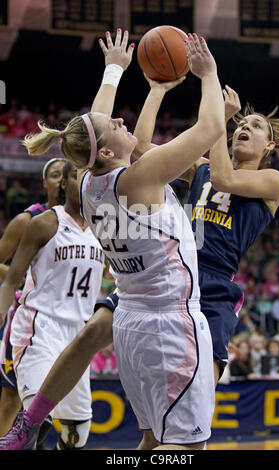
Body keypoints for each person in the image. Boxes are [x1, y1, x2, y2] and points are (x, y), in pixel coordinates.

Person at [0, 29, 225, 451]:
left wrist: (114, 70)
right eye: (116, 125)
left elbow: (92, 126)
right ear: (104, 152)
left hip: (129, 323)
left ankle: (29, 422)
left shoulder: (86, 184)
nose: (122, 120)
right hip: (172, 323)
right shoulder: (141, 175)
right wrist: (208, 74)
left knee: (152, 441)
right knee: (187, 450)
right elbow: (212, 125)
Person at [130, 73, 279, 387]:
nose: (243, 127)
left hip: (215, 280)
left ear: (269, 145)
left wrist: (219, 120)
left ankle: (195, 430)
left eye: (255, 126)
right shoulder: (200, 167)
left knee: (204, 378)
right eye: (240, 124)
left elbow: (224, 180)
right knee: (152, 371)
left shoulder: (272, 181)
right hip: (176, 267)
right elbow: (140, 149)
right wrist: (157, 90)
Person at [0, 161, 105, 450]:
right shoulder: (42, 221)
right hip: (40, 324)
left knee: (76, 436)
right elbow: (11, 278)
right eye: (74, 177)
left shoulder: (103, 227)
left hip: (78, 335)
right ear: (62, 184)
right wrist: (11, 291)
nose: (84, 183)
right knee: (33, 421)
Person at [0, 157, 65, 439]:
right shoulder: (27, 220)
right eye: (53, 175)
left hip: (65, 317)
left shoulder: (86, 221)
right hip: (26, 316)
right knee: (13, 396)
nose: (61, 179)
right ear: (44, 183)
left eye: (67, 173)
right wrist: (21, 277)